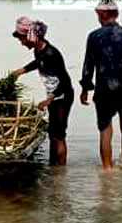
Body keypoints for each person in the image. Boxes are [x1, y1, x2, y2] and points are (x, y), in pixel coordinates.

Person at [80, 0, 122, 171]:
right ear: (115, 14)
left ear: (102, 14)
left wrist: (85, 88)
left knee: (105, 131)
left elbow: (89, 65)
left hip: (104, 90)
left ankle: (107, 171)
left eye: (97, 14)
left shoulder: (94, 37)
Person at [10, 16, 74, 166]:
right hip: (53, 97)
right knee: (52, 134)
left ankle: (60, 171)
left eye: (22, 39)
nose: (21, 43)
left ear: (29, 36)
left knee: (59, 135)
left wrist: (49, 99)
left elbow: (65, 82)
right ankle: (53, 167)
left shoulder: (51, 53)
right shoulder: (39, 50)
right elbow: (38, 63)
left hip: (62, 97)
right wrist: (22, 70)